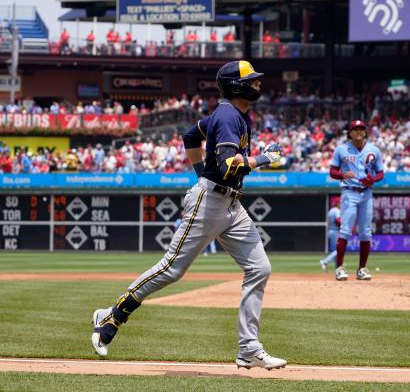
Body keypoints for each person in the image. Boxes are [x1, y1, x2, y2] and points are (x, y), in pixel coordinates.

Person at [91, 60, 287, 370]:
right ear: (236, 85)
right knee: (172, 269)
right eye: (252, 80)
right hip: (210, 202)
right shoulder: (227, 115)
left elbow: (190, 136)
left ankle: (249, 348)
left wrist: (199, 172)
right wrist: (264, 158)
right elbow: (226, 165)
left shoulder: (232, 115)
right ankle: (114, 313)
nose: (258, 84)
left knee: (259, 268)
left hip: (231, 206)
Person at [329, 120, 384, 281]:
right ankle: (339, 268)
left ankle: (362, 269)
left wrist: (372, 179)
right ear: (350, 133)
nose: (358, 131)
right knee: (345, 230)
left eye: (361, 129)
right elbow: (332, 171)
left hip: (366, 193)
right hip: (349, 192)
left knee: (366, 232)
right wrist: (342, 175)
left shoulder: (374, 150)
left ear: (365, 132)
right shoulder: (342, 149)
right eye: (355, 129)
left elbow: (381, 173)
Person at [319, 198, 341, 271]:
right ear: (337, 203)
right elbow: (338, 221)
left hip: (331, 231)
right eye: (340, 203)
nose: (341, 204)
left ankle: (337, 268)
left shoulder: (331, 211)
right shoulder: (337, 210)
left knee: (336, 251)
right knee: (339, 250)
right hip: (335, 232)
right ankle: (325, 262)